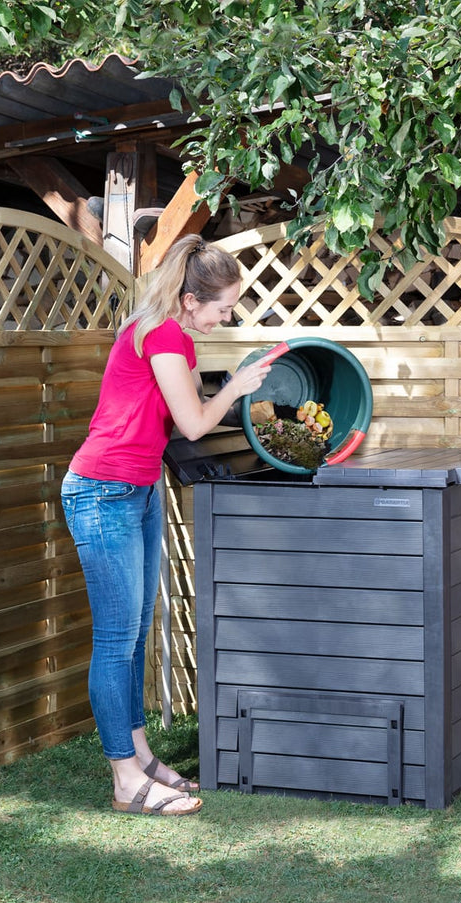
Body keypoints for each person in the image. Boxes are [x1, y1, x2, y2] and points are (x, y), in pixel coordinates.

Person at [61, 234, 271, 817]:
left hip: (137, 488)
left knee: (131, 638)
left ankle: (141, 758)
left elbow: (173, 424)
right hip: (103, 492)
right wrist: (237, 386)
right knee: (115, 641)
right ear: (188, 298)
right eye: (222, 307)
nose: (226, 318)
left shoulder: (158, 329)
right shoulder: (164, 333)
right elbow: (195, 423)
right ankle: (125, 780)